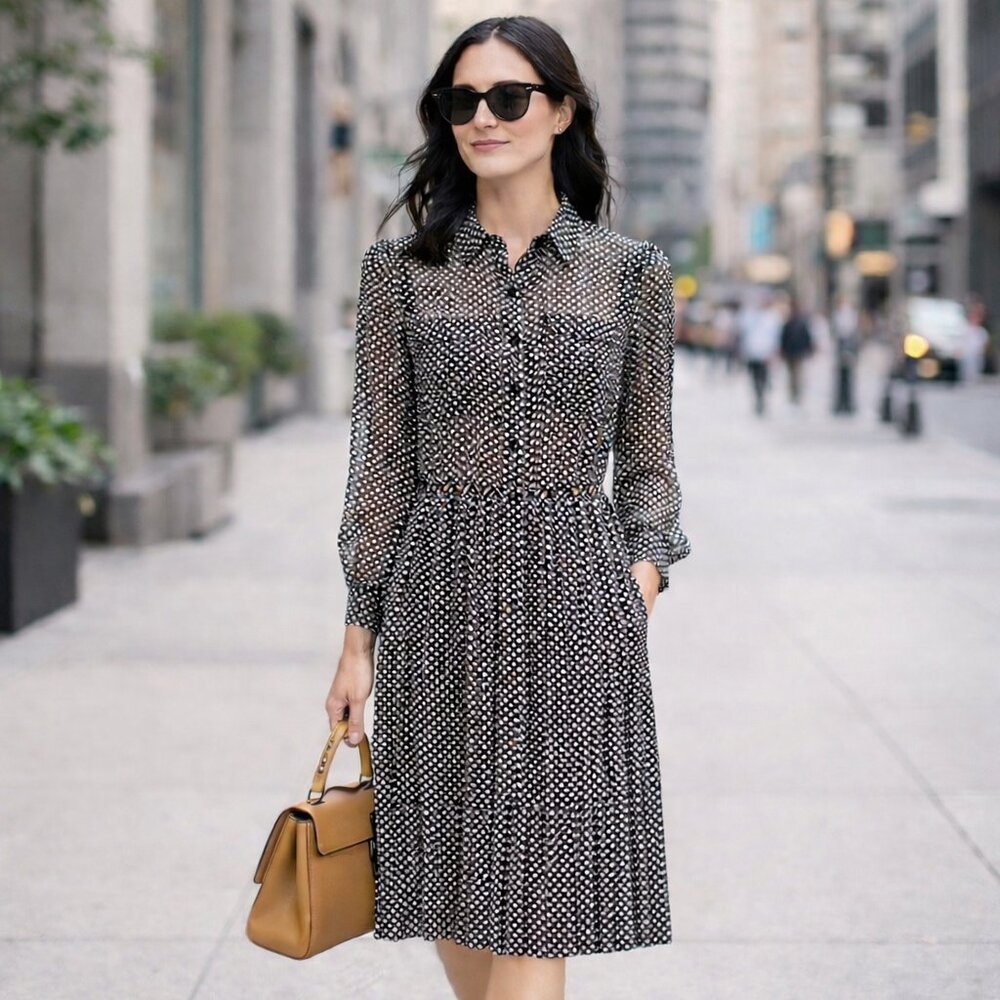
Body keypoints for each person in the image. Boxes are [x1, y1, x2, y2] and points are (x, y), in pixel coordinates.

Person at [326, 16, 692, 1000]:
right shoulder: (399, 274)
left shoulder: (629, 274)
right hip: (433, 601)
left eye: (508, 97)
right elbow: (381, 467)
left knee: (540, 898)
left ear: (561, 109)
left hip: (576, 604)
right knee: (447, 886)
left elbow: (650, 467)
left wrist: (635, 585)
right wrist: (358, 633)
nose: (483, 118)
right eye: (461, 101)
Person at [739, 290, 783, 415]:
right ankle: (758, 396)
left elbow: (775, 336)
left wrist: (774, 351)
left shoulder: (772, 317)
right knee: (754, 378)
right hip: (752, 353)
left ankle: (762, 398)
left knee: (763, 377)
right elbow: (744, 333)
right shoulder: (749, 315)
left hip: (765, 353)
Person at [779, 296, 814, 404]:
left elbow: (807, 337)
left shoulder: (800, 323)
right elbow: (783, 338)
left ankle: (797, 393)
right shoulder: (788, 323)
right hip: (791, 352)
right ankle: (794, 394)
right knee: (792, 375)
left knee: (797, 374)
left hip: (798, 352)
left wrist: (808, 348)